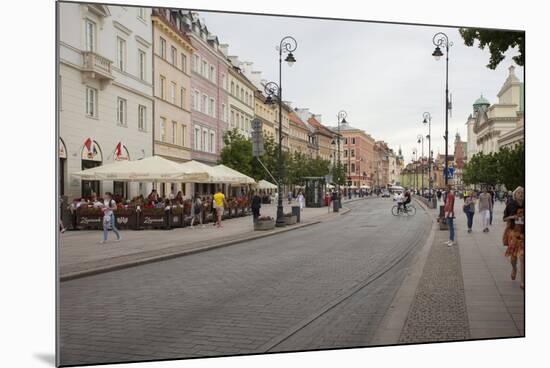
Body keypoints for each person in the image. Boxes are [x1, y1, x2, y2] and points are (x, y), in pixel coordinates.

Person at [503, 186, 525, 289]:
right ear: (515, 195)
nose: (521, 194)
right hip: (513, 233)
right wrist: (513, 217)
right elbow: (504, 218)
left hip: (523, 233)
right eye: (519, 193)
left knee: (522, 256)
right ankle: (514, 268)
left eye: (522, 193)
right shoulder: (511, 205)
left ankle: (523, 281)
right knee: (513, 257)